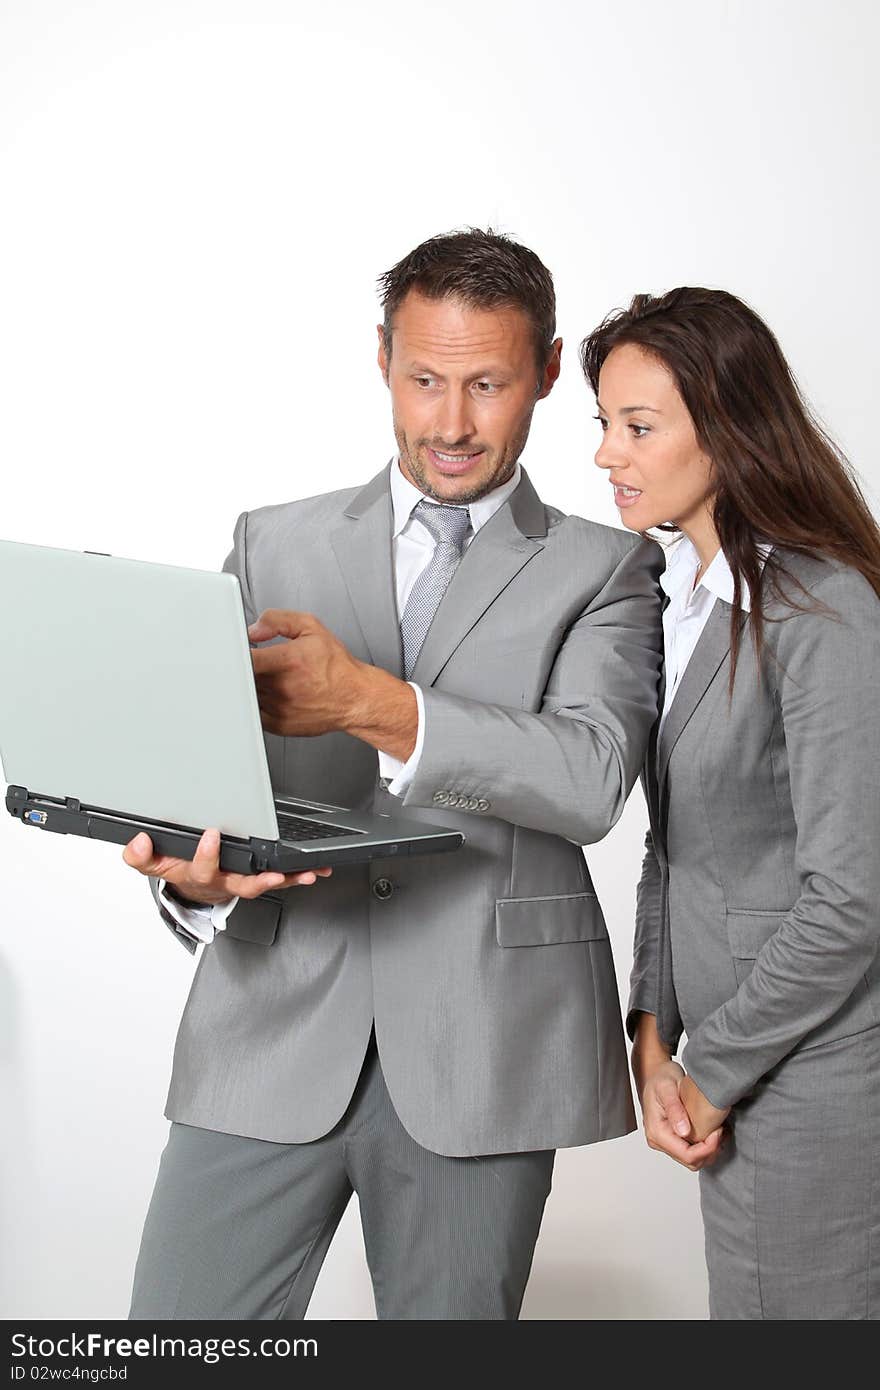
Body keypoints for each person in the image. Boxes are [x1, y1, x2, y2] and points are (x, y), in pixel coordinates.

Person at [121, 229, 663, 1321]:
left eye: (486, 383)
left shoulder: (606, 567)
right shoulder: (271, 540)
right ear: (381, 358)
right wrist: (191, 874)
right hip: (266, 1029)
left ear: (549, 372)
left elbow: (590, 777)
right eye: (423, 379)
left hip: (486, 1053)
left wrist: (371, 702)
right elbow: (203, 770)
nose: (450, 422)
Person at [581, 286, 880, 1320]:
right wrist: (651, 1029)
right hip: (732, 1066)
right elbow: (675, 847)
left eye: (638, 426)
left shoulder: (824, 606)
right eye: (603, 424)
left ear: (726, 426)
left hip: (814, 1078)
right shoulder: (699, 603)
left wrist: (709, 1068)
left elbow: (851, 900)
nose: (607, 454)